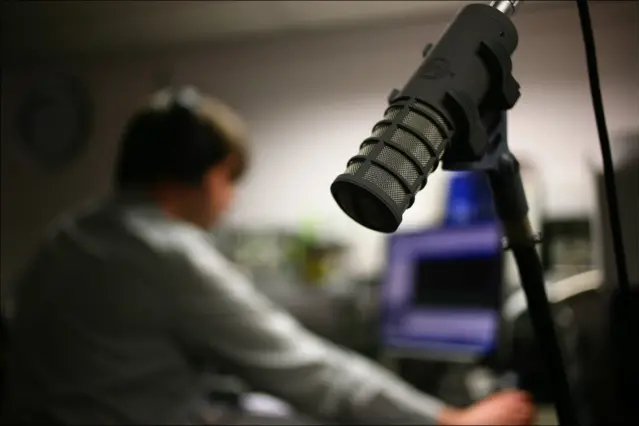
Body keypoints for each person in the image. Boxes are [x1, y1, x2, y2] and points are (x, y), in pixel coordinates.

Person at [1, 87, 535, 425]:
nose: (230, 199)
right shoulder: (167, 251)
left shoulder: (66, 235)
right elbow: (305, 370)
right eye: (231, 182)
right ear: (212, 175)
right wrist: (445, 420)